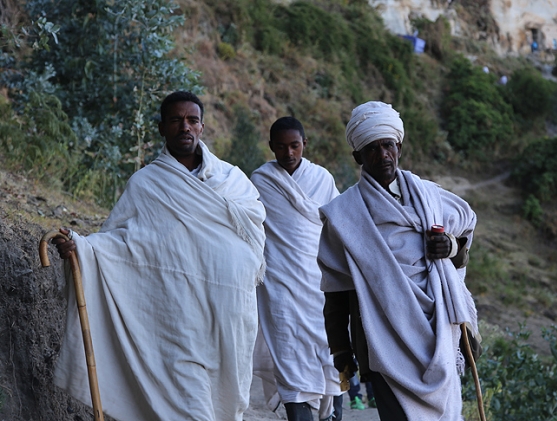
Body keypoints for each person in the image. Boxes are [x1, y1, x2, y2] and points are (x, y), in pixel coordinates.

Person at [51, 91, 267, 421]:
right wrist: (81, 249)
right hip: (175, 323)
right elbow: (121, 245)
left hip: (227, 320)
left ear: (202, 126)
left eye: (192, 120)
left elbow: (254, 245)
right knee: (191, 409)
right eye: (175, 121)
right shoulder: (147, 185)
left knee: (224, 405)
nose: (185, 127)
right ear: (161, 129)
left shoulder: (233, 182)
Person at [318, 101, 479, 420]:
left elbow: (460, 249)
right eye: (372, 149)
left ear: (399, 147)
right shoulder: (343, 216)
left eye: (388, 146)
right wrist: (341, 350)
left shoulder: (430, 196)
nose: (382, 155)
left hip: (440, 332)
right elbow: (335, 291)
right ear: (358, 157)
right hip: (381, 340)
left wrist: (448, 246)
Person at [250, 116, 343, 421]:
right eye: (281, 147)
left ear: (305, 144)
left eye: (294, 145)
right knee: (288, 360)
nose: (288, 153)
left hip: (319, 287)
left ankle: (331, 411)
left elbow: (338, 229)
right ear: (271, 147)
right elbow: (249, 227)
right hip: (279, 288)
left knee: (329, 359)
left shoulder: (323, 179)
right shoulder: (261, 181)